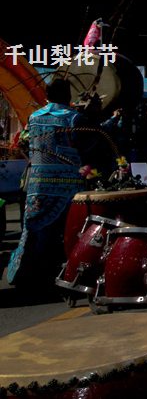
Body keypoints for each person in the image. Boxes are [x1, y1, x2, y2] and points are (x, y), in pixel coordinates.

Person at [6, 79, 88, 290]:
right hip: (68, 184)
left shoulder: (34, 117)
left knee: (33, 229)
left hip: (36, 182)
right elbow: (87, 146)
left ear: (47, 96)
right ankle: (64, 273)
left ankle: (26, 272)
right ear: (68, 96)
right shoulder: (74, 118)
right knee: (67, 230)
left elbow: (23, 141)